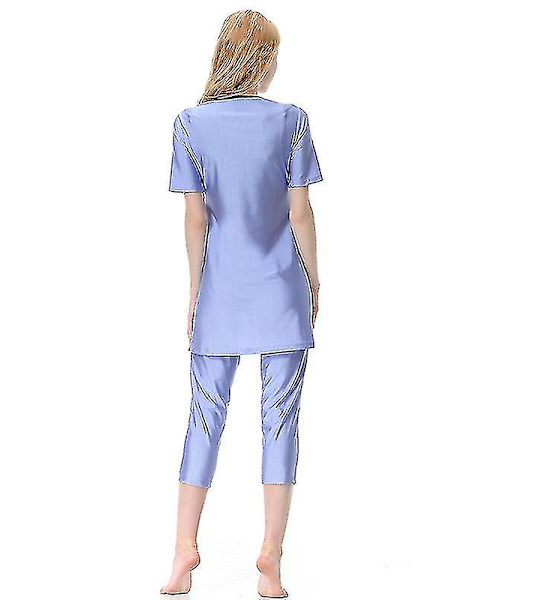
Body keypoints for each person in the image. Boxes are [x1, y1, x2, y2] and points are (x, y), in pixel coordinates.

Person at [161, 10, 323, 598]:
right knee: (280, 421)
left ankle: (183, 551)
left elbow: (195, 219)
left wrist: (194, 291)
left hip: (220, 292)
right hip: (281, 288)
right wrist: (314, 279)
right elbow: (299, 212)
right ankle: (270, 558)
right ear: (264, 60)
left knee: (204, 417)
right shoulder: (292, 121)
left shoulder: (190, 124)